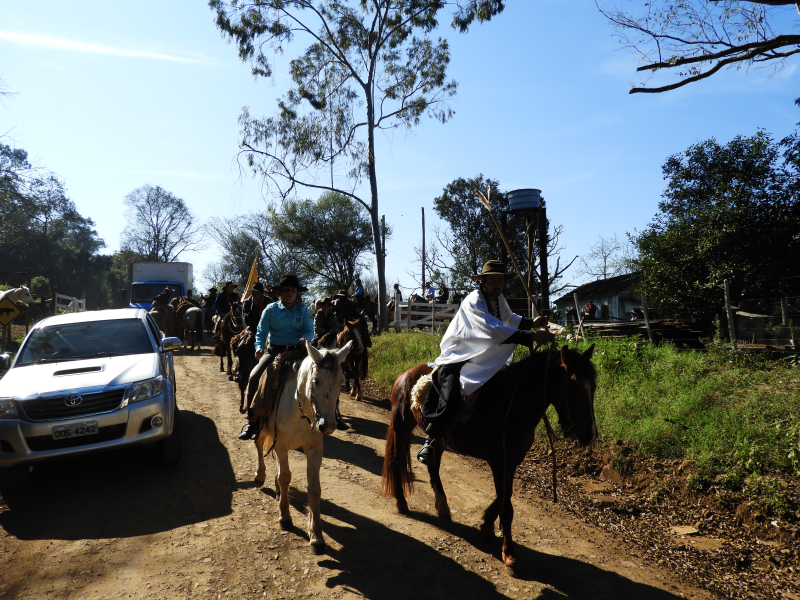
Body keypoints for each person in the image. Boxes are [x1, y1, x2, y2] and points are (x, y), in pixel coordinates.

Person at [417, 260, 555, 465]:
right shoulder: (474, 300)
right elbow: (491, 329)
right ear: (482, 282)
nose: (497, 284)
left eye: (500, 280)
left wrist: (531, 323)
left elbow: (508, 318)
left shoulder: (499, 299)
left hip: (485, 351)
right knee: (452, 389)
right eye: (492, 280)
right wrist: (532, 336)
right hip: (461, 351)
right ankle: (432, 437)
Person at [238, 274, 314, 440]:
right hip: (274, 351)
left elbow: (309, 330)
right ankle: (252, 423)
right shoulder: (270, 309)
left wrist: (306, 338)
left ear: (297, 293)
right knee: (253, 377)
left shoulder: (304, 310)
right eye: (286, 290)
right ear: (280, 292)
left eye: (293, 290)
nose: (289, 293)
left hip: (299, 351)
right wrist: (259, 347)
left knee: (321, 376)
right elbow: (261, 332)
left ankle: (329, 415)